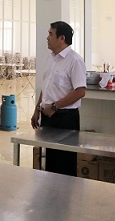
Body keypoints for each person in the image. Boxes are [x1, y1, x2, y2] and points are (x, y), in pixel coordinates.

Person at [31, 21, 87, 176]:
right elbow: (47, 87)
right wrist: (37, 109)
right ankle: (52, 197)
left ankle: (65, 198)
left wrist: (55, 106)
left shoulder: (75, 60)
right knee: (51, 163)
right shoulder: (51, 58)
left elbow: (80, 91)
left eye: (50, 34)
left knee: (64, 164)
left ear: (62, 38)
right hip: (48, 115)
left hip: (65, 118)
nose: (47, 38)